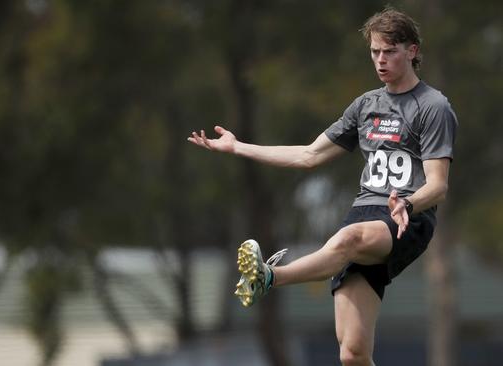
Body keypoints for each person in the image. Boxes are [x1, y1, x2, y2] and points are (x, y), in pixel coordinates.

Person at [187, 7, 457, 366]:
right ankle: (273, 278)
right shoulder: (366, 105)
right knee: (352, 353)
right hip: (364, 213)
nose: (380, 60)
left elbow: (437, 186)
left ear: (412, 51)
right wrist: (237, 147)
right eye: (374, 51)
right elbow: (308, 155)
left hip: (407, 217)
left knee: (347, 239)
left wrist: (407, 204)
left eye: (389, 51)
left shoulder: (433, 106)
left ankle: (268, 277)